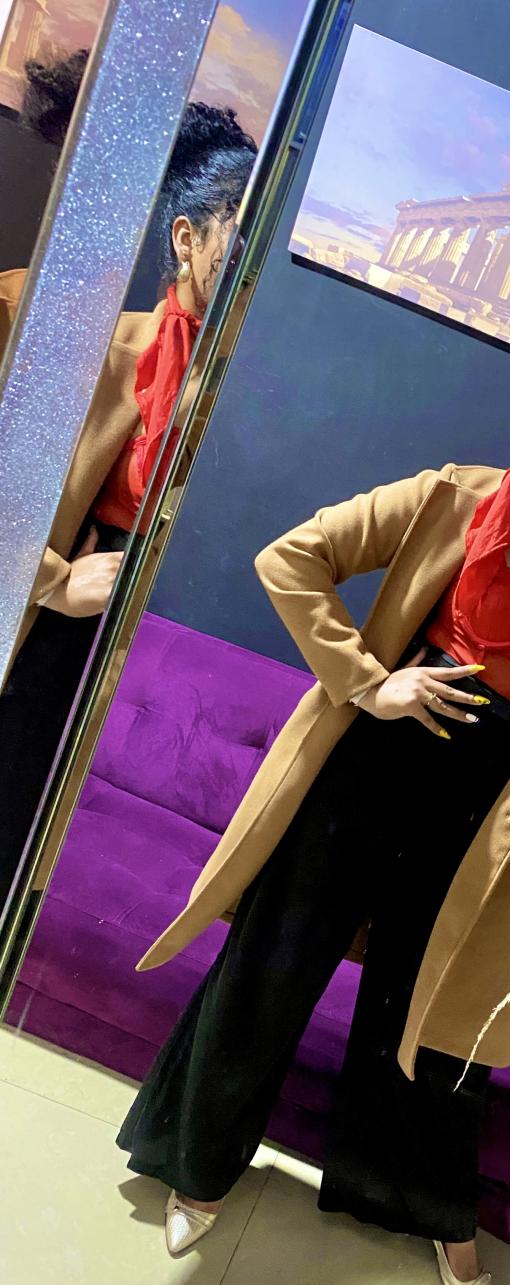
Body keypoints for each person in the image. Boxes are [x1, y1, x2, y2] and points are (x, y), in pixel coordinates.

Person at [116, 290, 510, 1285]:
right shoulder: (454, 497)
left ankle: (419, 1206)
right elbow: (290, 559)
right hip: (382, 758)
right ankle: (196, 1167)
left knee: (435, 1010)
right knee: (275, 962)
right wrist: (368, 680)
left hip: (499, 807)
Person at [0, 98, 257, 903]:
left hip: (106, 642)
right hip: (37, 610)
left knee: (17, 839)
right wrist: (50, 579)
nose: (255, 266)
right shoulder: (79, 340)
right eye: (240, 237)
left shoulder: (234, 389)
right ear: (187, 239)